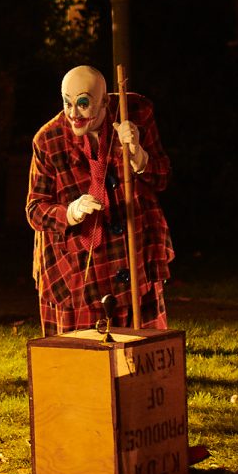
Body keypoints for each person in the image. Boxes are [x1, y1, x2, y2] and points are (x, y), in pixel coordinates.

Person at [26, 66, 174, 335]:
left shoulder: (136, 113)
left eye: (83, 104)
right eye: (67, 102)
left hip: (132, 250)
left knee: (139, 353)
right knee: (82, 359)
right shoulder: (48, 140)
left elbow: (162, 177)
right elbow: (35, 210)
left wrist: (139, 156)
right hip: (75, 265)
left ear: (105, 100)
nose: (73, 113)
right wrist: (70, 212)